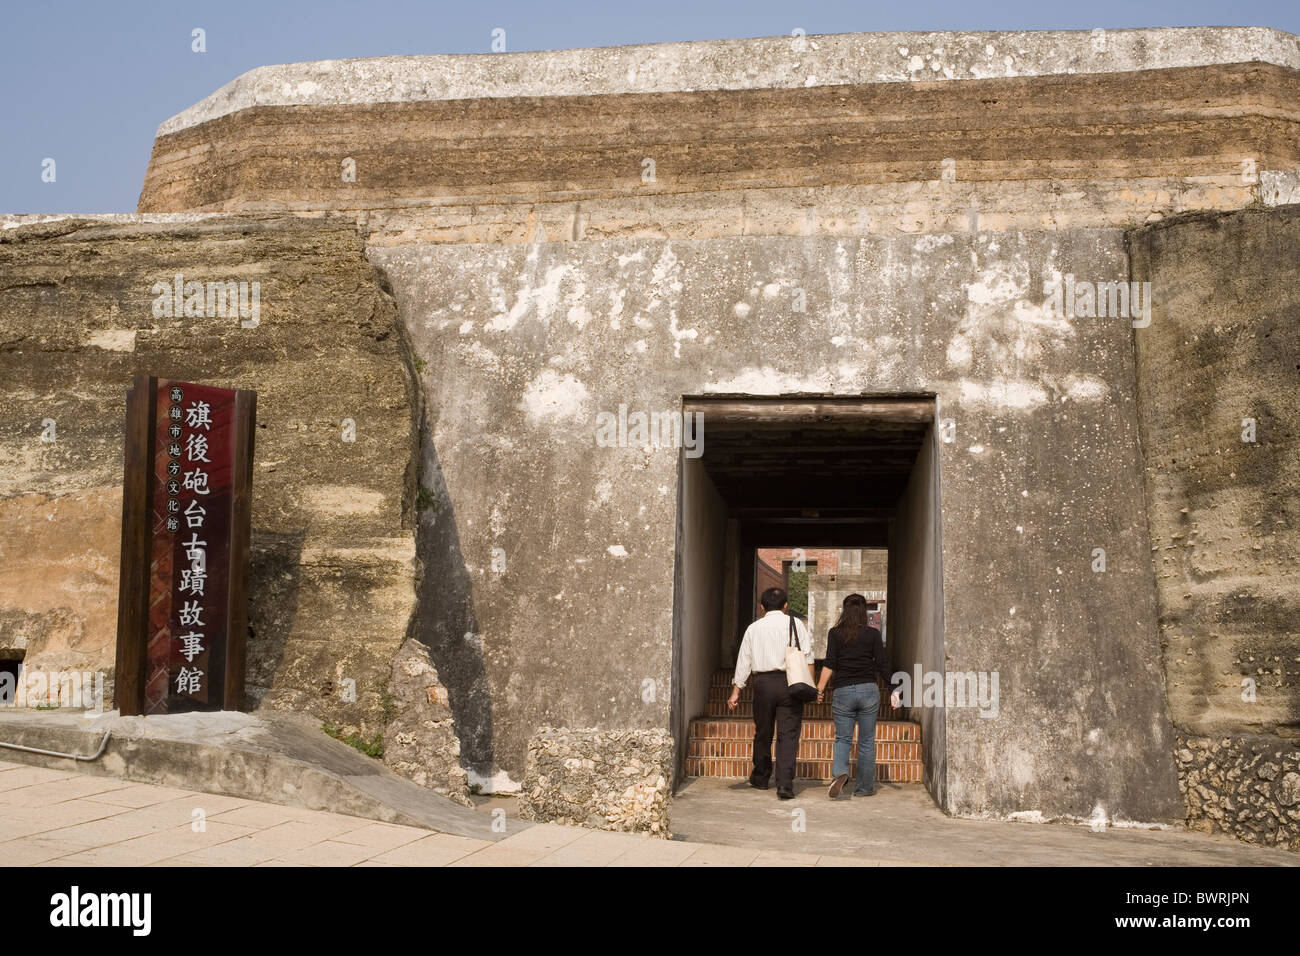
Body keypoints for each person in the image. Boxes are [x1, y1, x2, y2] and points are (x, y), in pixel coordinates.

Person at [728, 586, 814, 800]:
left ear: (762, 606)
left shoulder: (754, 628)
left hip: (763, 684)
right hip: (790, 684)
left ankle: (761, 777)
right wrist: (812, 687)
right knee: (788, 735)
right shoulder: (797, 625)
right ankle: (784, 785)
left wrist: (736, 690)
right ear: (786, 606)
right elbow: (808, 658)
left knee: (763, 732)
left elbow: (744, 660)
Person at [815, 593, 902, 799]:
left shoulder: (835, 633)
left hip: (843, 691)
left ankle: (840, 773)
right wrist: (894, 689)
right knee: (866, 741)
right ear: (864, 612)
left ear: (844, 611)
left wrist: (819, 689)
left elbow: (830, 663)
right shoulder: (872, 635)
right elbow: (882, 663)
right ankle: (864, 788)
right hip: (868, 690)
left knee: (843, 738)